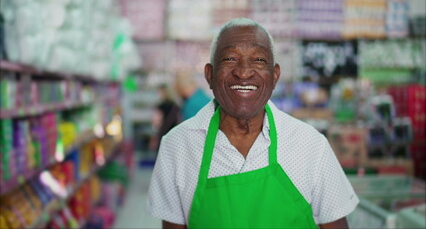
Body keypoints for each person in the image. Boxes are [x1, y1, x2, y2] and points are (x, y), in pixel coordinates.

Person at [147, 18, 359, 229]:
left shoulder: (311, 145)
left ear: (275, 76)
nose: (244, 72)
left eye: (258, 60)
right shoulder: (176, 146)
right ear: (209, 75)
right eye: (230, 58)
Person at [149, 84, 181, 152]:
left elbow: (156, 123)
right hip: (174, 136)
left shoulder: (160, 106)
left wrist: (154, 136)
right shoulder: (175, 105)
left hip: (163, 136)